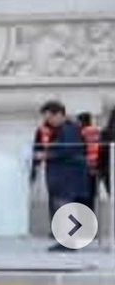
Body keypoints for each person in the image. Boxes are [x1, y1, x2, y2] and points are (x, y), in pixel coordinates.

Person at [37, 100, 89, 251]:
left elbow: (67, 150)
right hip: (63, 176)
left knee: (65, 208)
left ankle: (69, 242)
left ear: (59, 114)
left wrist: (46, 155)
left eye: (50, 118)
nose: (49, 122)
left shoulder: (68, 129)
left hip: (66, 176)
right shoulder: (64, 129)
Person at [79, 112, 101, 211]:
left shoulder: (81, 132)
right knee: (92, 196)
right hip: (95, 167)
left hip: (84, 168)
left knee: (83, 197)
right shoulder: (97, 132)